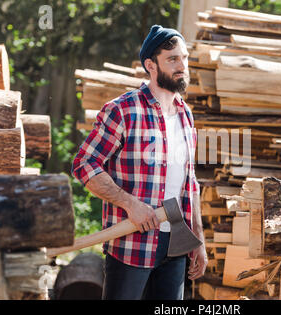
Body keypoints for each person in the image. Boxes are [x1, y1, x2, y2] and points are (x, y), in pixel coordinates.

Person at [71, 25, 207, 300]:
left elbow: (189, 183)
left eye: (184, 58)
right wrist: (130, 205)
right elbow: (84, 164)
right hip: (132, 244)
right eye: (172, 59)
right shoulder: (123, 110)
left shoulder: (185, 115)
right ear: (150, 65)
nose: (182, 66)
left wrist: (199, 239)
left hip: (176, 247)